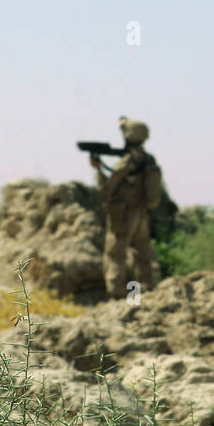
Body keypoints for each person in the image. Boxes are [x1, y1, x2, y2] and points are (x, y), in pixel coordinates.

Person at [90, 117, 161, 299]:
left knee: (115, 253)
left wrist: (98, 170)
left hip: (123, 214)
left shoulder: (127, 162)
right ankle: (148, 289)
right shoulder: (148, 159)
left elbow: (107, 188)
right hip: (142, 213)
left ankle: (117, 294)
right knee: (142, 252)